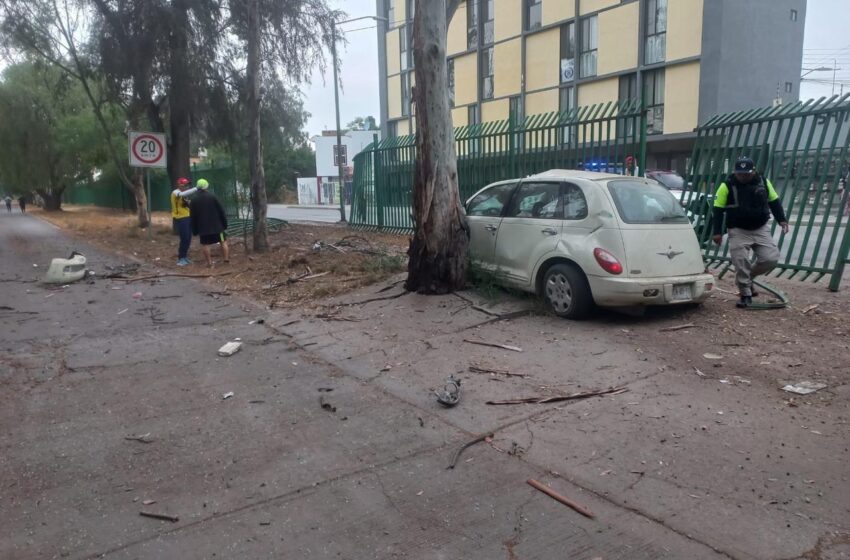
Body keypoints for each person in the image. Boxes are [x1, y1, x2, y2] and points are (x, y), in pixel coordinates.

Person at [712, 156, 789, 308]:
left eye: (746, 174)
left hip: (760, 227)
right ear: (735, 172)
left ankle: (749, 277)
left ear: (753, 172)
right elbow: (718, 210)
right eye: (739, 174)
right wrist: (717, 232)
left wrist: (782, 219)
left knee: (770, 259)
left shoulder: (764, 182)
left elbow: (774, 201)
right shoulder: (726, 185)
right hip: (738, 229)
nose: (743, 177)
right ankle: (745, 293)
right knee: (741, 261)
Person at [189, 178, 230, 267]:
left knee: (205, 244)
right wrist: (225, 224)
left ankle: (209, 263)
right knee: (223, 241)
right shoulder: (213, 196)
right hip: (218, 226)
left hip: (203, 228)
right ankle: (226, 260)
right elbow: (221, 211)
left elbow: (193, 216)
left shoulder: (194, 200)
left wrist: (195, 230)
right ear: (206, 186)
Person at [170, 177, 197, 266]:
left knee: (188, 238)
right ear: (179, 184)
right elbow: (181, 194)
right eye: (184, 184)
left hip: (187, 217)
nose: (186, 186)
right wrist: (196, 188)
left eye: (187, 184)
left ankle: (185, 256)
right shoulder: (176, 192)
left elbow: (186, 204)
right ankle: (181, 258)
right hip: (181, 218)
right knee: (184, 238)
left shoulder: (184, 195)